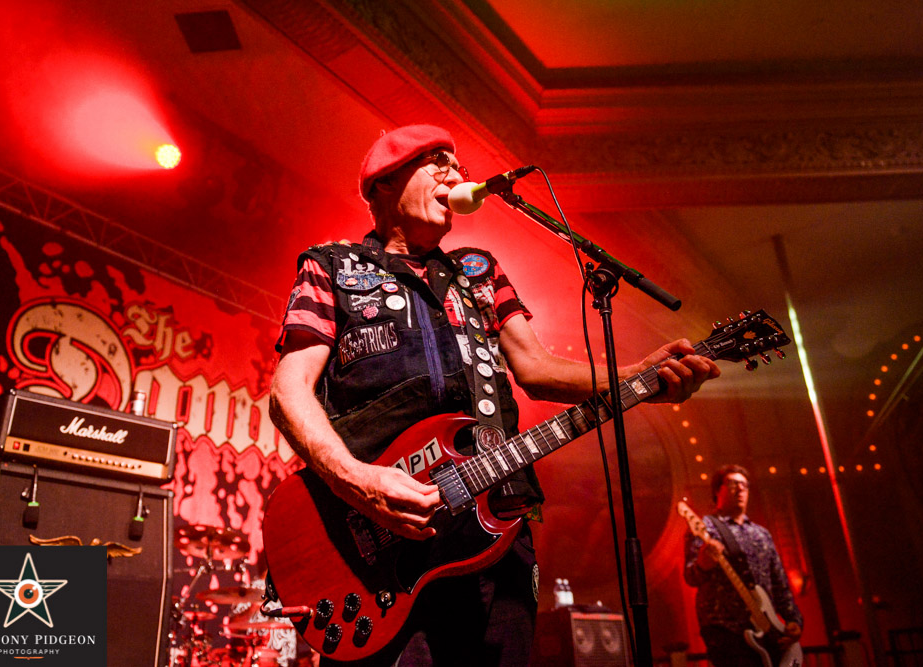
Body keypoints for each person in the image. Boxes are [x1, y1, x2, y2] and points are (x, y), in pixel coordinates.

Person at [269, 124, 721, 666]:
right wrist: (360, 482)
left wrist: (636, 377)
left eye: (456, 164)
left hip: (495, 526)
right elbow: (288, 390)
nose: (454, 173)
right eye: (435, 160)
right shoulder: (331, 266)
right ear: (385, 182)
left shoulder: (478, 271)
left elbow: (535, 367)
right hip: (378, 547)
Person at [684, 464, 803, 667]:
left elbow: (779, 583)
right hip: (724, 631)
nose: (740, 489)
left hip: (767, 631)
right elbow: (691, 576)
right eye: (732, 484)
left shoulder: (761, 534)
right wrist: (703, 563)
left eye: (744, 485)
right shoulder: (706, 528)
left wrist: (794, 620)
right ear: (717, 490)